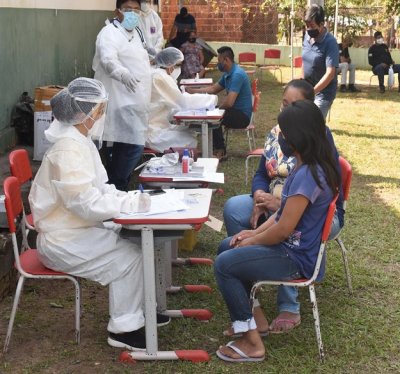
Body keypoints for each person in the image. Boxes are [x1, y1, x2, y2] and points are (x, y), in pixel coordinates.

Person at [28, 78, 170, 351]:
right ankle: (124, 330)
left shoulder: (80, 141)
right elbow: (84, 203)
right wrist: (127, 206)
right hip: (62, 240)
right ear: (86, 114)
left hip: (77, 230)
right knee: (128, 258)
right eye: (100, 109)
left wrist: (127, 198)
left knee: (136, 243)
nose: (102, 115)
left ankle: (142, 314)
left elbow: (100, 189)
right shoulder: (68, 149)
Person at [214, 100, 340, 362]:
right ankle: (254, 320)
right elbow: (282, 213)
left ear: (298, 137)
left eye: (284, 133)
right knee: (226, 246)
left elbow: (283, 230)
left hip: (295, 258)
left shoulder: (309, 174)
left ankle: (251, 342)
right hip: (288, 249)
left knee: (225, 264)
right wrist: (252, 235)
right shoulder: (303, 166)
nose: (279, 138)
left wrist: (251, 242)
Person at [92, 0, 152, 191]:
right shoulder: (109, 33)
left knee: (125, 144)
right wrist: (122, 73)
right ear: (117, 11)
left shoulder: (135, 32)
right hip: (118, 99)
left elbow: (141, 56)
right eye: (128, 10)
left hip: (135, 98)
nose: (133, 14)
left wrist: (157, 57)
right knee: (132, 144)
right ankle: (117, 185)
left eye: (136, 10)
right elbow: (108, 59)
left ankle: (116, 186)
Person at [186, 46, 252, 159]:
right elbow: (213, 89)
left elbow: (229, 102)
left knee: (214, 117)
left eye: (219, 61)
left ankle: (220, 151)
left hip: (242, 116)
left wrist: (217, 110)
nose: (218, 64)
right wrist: (194, 91)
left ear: (226, 60)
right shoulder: (228, 74)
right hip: (233, 111)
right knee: (213, 113)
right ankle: (213, 149)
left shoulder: (237, 75)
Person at [146, 47, 217, 152]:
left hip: (158, 126)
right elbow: (182, 102)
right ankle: (187, 162)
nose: (179, 69)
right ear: (170, 64)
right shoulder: (160, 77)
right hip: (153, 131)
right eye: (178, 65)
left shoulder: (159, 75)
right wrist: (209, 100)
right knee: (188, 138)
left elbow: (172, 105)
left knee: (189, 132)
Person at [302, 4, 339, 119]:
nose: (309, 29)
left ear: (322, 24)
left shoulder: (330, 42)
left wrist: (313, 92)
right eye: (307, 25)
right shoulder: (307, 38)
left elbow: (330, 73)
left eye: (312, 26)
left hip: (323, 93)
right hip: (307, 89)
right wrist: (300, 84)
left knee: (313, 123)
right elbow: (304, 62)